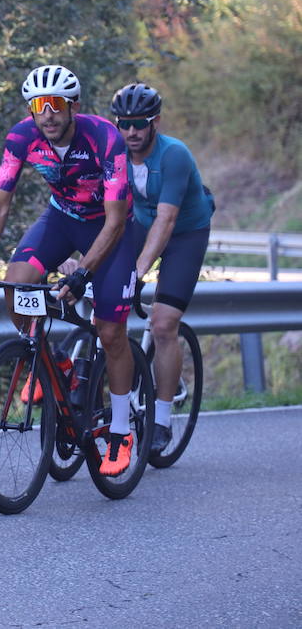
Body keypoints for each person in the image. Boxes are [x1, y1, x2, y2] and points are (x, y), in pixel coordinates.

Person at [0, 64, 139, 475]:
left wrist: (82, 274)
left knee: (110, 331)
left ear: (73, 106)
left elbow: (114, 220)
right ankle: (55, 364)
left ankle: (122, 428)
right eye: (40, 105)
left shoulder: (104, 139)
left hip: (110, 228)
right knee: (15, 283)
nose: (48, 114)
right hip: (60, 219)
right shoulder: (21, 138)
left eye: (56, 105)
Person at [110, 82, 214, 454]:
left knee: (164, 323)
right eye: (124, 124)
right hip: (140, 223)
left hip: (186, 232)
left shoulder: (174, 155)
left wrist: (137, 271)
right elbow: (104, 210)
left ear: (155, 122)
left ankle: (162, 419)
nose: (132, 132)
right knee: (105, 298)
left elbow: (167, 221)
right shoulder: (115, 152)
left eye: (139, 123)